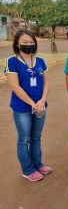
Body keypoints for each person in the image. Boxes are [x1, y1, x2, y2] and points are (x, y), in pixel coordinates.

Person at [4, 30, 52, 182]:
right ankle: (28, 169)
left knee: (36, 137)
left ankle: (38, 164)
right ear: (17, 44)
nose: (28, 45)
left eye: (31, 42)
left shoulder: (40, 61)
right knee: (24, 139)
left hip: (40, 106)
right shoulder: (12, 62)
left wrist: (42, 100)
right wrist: (32, 104)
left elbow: (46, 82)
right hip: (22, 108)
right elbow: (15, 86)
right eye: (24, 43)